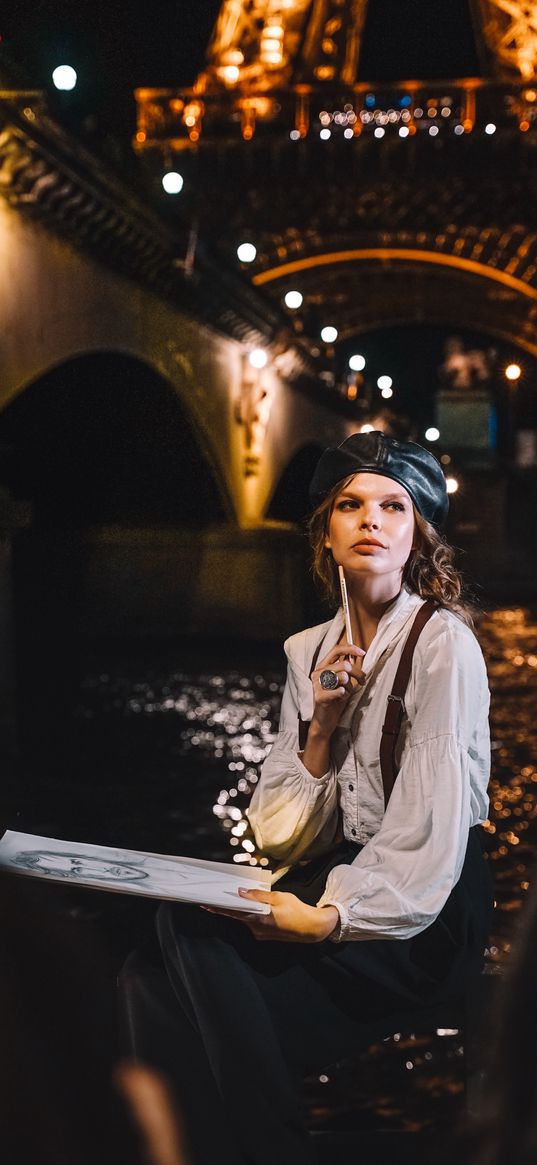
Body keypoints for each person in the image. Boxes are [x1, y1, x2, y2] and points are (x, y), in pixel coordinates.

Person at [120, 430, 494, 1165]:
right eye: (350, 504)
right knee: (148, 968)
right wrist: (320, 727)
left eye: (393, 506)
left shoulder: (441, 644)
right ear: (325, 530)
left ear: (416, 531)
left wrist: (329, 918)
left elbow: (429, 834)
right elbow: (281, 836)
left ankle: (262, 1147)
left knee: (191, 945)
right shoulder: (307, 650)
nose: (371, 520)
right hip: (340, 876)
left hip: (425, 906)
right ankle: (184, 1148)